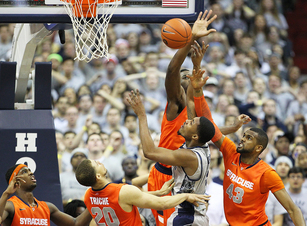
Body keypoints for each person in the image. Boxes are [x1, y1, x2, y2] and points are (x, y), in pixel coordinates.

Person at [189, 68, 306, 225]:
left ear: (258, 148)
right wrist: (198, 90)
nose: (242, 139)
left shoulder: (267, 173)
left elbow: (292, 209)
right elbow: (208, 125)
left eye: (248, 138)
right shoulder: (231, 152)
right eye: (243, 136)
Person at [146, 10, 218, 226]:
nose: (187, 77)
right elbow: (171, 70)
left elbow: (213, 128)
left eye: (190, 75)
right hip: (164, 172)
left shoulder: (196, 109)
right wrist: (191, 38)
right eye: (184, 76)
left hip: (187, 173)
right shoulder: (176, 104)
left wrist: (196, 66)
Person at [127, 87, 217, 225]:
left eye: (191, 122)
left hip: (186, 217)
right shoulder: (202, 144)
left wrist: (141, 115)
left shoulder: (188, 156)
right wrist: (194, 85)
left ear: (194, 136)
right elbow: (192, 109)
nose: (187, 121)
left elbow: (149, 152)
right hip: (194, 215)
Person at [75, 159, 210, 226]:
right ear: (98, 176)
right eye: (96, 164)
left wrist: (158, 192)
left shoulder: (88, 196)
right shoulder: (123, 190)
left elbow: (124, 201)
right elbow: (161, 204)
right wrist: (185, 195)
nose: (99, 162)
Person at [0, 164, 92, 226]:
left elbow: (75, 223)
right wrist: (6, 193)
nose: (31, 173)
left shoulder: (48, 207)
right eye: (24, 172)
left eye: (30, 170)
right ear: (15, 181)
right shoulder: (10, 206)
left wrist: (94, 201)